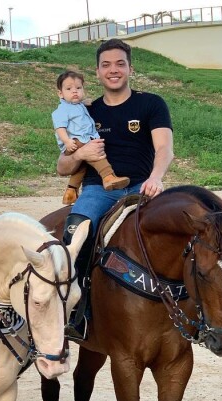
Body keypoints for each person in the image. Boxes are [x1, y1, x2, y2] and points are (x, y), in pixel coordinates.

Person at [56, 38, 174, 338]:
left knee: (183, 233)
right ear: (97, 72)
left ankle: (181, 304)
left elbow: (164, 149)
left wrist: (156, 177)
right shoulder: (86, 111)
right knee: (76, 228)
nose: (113, 70)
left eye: (120, 64)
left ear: (130, 68)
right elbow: (62, 167)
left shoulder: (151, 103)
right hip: (99, 189)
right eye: (106, 65)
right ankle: (78, 308)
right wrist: (81, 154)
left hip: (141, 186)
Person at [52, 70, 129, 204]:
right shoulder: (62, 110)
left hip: (80, 139)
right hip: (76, 141)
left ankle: (71, 191)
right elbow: (60, 127)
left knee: (82, 165)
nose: (75, 91)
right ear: (60, 93)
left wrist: (84, 102)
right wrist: (67, 141)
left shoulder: (77, 105)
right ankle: (108, 176)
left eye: (78, 88)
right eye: (69, 89)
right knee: (95, 153)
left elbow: (80, 108)